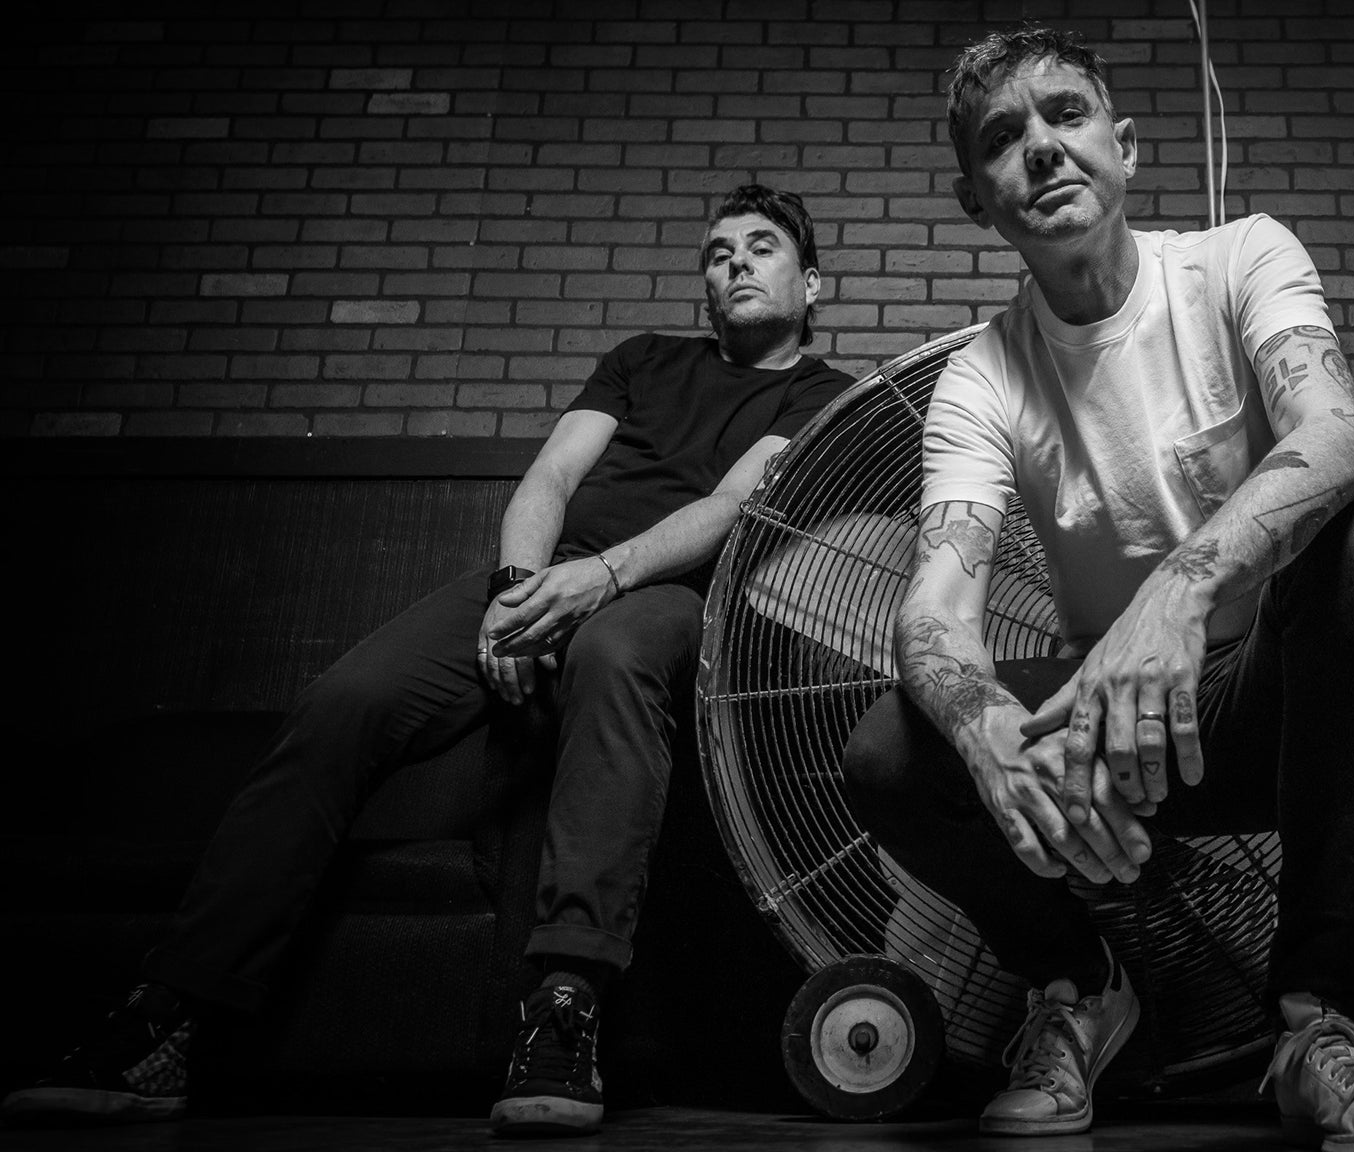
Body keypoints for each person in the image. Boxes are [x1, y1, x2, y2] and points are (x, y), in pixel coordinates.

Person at [1, 184, 852, 1137]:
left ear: (811, 283)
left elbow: (731, 507)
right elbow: (551, 476)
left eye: (761, 247)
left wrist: (600, 581)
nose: (735, 263)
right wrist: (515, 595)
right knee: (346, 699)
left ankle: (564, 1009)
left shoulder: (822, 394)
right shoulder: (640, 360)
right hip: (545, 576)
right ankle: (172, 1011)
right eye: (718, 252)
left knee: (611, 657)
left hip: (671, 593)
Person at [840, 28, 1354, 1151]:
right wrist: (987, 731)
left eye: (1066, 115)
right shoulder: (979, 378)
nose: (1042, 148)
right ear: (974, 198)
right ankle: (1078, 988)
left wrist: (1173, 598)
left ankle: (1319, 1021)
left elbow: (1335, 437)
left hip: (1273, 707)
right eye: (1002, 138)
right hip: (1104, 750)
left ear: (1123, 145)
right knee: (889, 750)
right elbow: (935, 604)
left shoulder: (1240, 259)